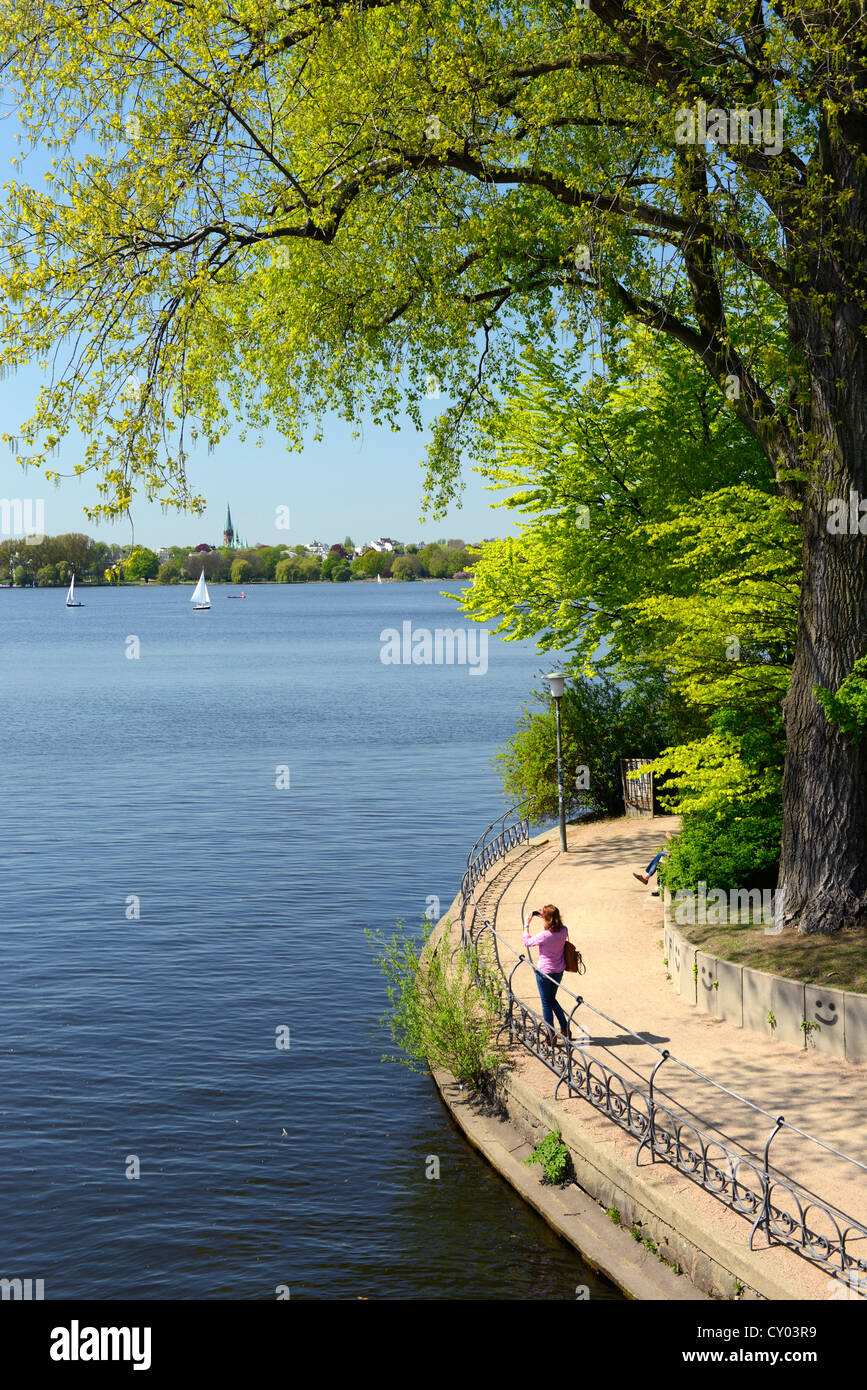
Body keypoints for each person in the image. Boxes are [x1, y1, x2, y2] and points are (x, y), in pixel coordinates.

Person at [523, 903, 570, 1038]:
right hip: (558, 971)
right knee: (552, 999)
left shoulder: (544, 935)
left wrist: (527, 924)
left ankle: (550, 1036)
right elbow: (555, 925)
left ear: (547, 919)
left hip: (544, 973)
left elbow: (527, 942)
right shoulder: (564, 930)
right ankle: (565, 1029)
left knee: (546, 1003)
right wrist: (546, 915)